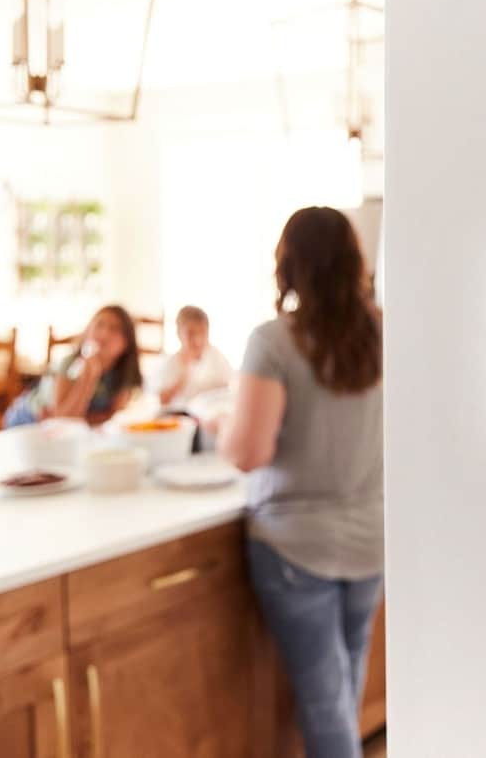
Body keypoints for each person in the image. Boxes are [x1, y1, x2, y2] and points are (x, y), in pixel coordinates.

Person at [217, 207, 383, 758]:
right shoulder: (385, 329)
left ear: (288, 264)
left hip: (297, 546)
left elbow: (248, 452)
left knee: (324, 702)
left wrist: (221, 427)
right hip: (371, 537)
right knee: (344, 687)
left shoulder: (274, 341)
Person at [4, 305, 143, 427]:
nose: (104, 333)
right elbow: (64, 420)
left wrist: (79, 418)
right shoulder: (69, 365)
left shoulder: (124, 376)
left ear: (127, 342)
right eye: (100, 325)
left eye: (114, 329)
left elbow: (111, 417)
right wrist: (89, 377)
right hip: (28, 423)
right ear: (88, 330)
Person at [151, 305, 233, 411]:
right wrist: (183, 375)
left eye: (202, 332)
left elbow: (228, 387)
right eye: (190, 333)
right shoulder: (171, 363)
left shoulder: (216, 356)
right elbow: (162, 400)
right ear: (178, 333)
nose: (197, 340)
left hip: (211, 415)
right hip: (181, 416)